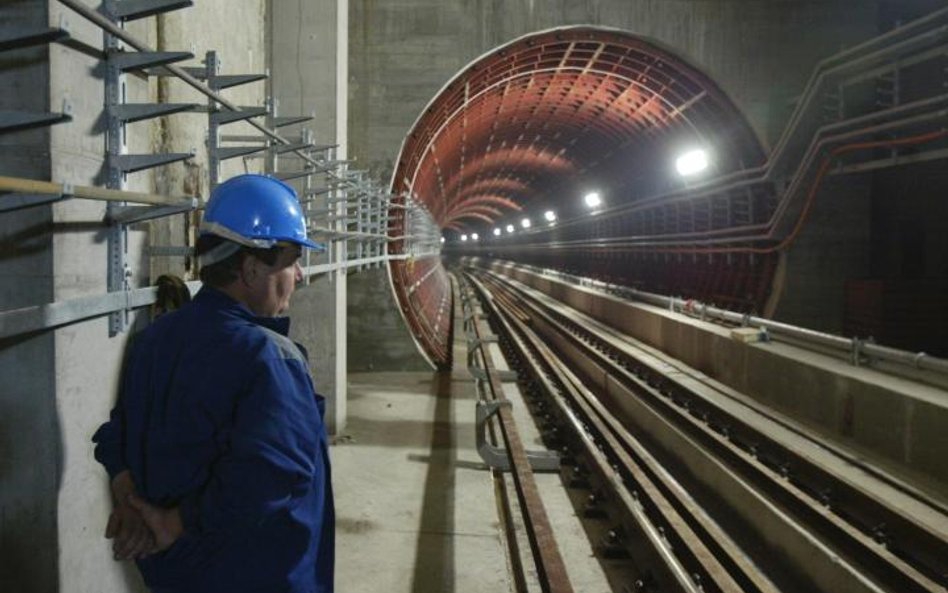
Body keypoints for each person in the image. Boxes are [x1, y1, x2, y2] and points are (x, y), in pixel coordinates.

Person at [92, 174, 334, 593]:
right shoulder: (270, 357)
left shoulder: (155, 339)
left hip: (174, 574)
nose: (299, 275)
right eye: (292, 260)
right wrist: (173, 523)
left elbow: (117, 436)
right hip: (260, 575)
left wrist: (130, 500)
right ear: (252, 267)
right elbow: (271, 476)